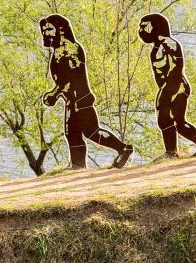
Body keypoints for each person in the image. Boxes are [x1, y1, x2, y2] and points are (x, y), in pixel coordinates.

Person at [40, 14, 134, 168]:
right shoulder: (59, 50)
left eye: (50, 29)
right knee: (76, 134)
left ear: (61, 30)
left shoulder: (70, 49)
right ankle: (78, 164)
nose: (46, 33)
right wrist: (56, 93)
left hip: (80, 99)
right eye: (44, 30)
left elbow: (69, 78)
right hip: (73, 99)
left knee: (89, 132)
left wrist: (54, 94)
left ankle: (122, 149)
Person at [138, 13, 196, 157]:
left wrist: (167, 93)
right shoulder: (156, 47)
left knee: (178, 121)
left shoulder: (169, 43)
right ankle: (172, 151)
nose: (141, 32)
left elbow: (176, 70)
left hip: (177, 87)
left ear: (156, 27)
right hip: (166, 88)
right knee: (165, 121)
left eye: (144, 28)